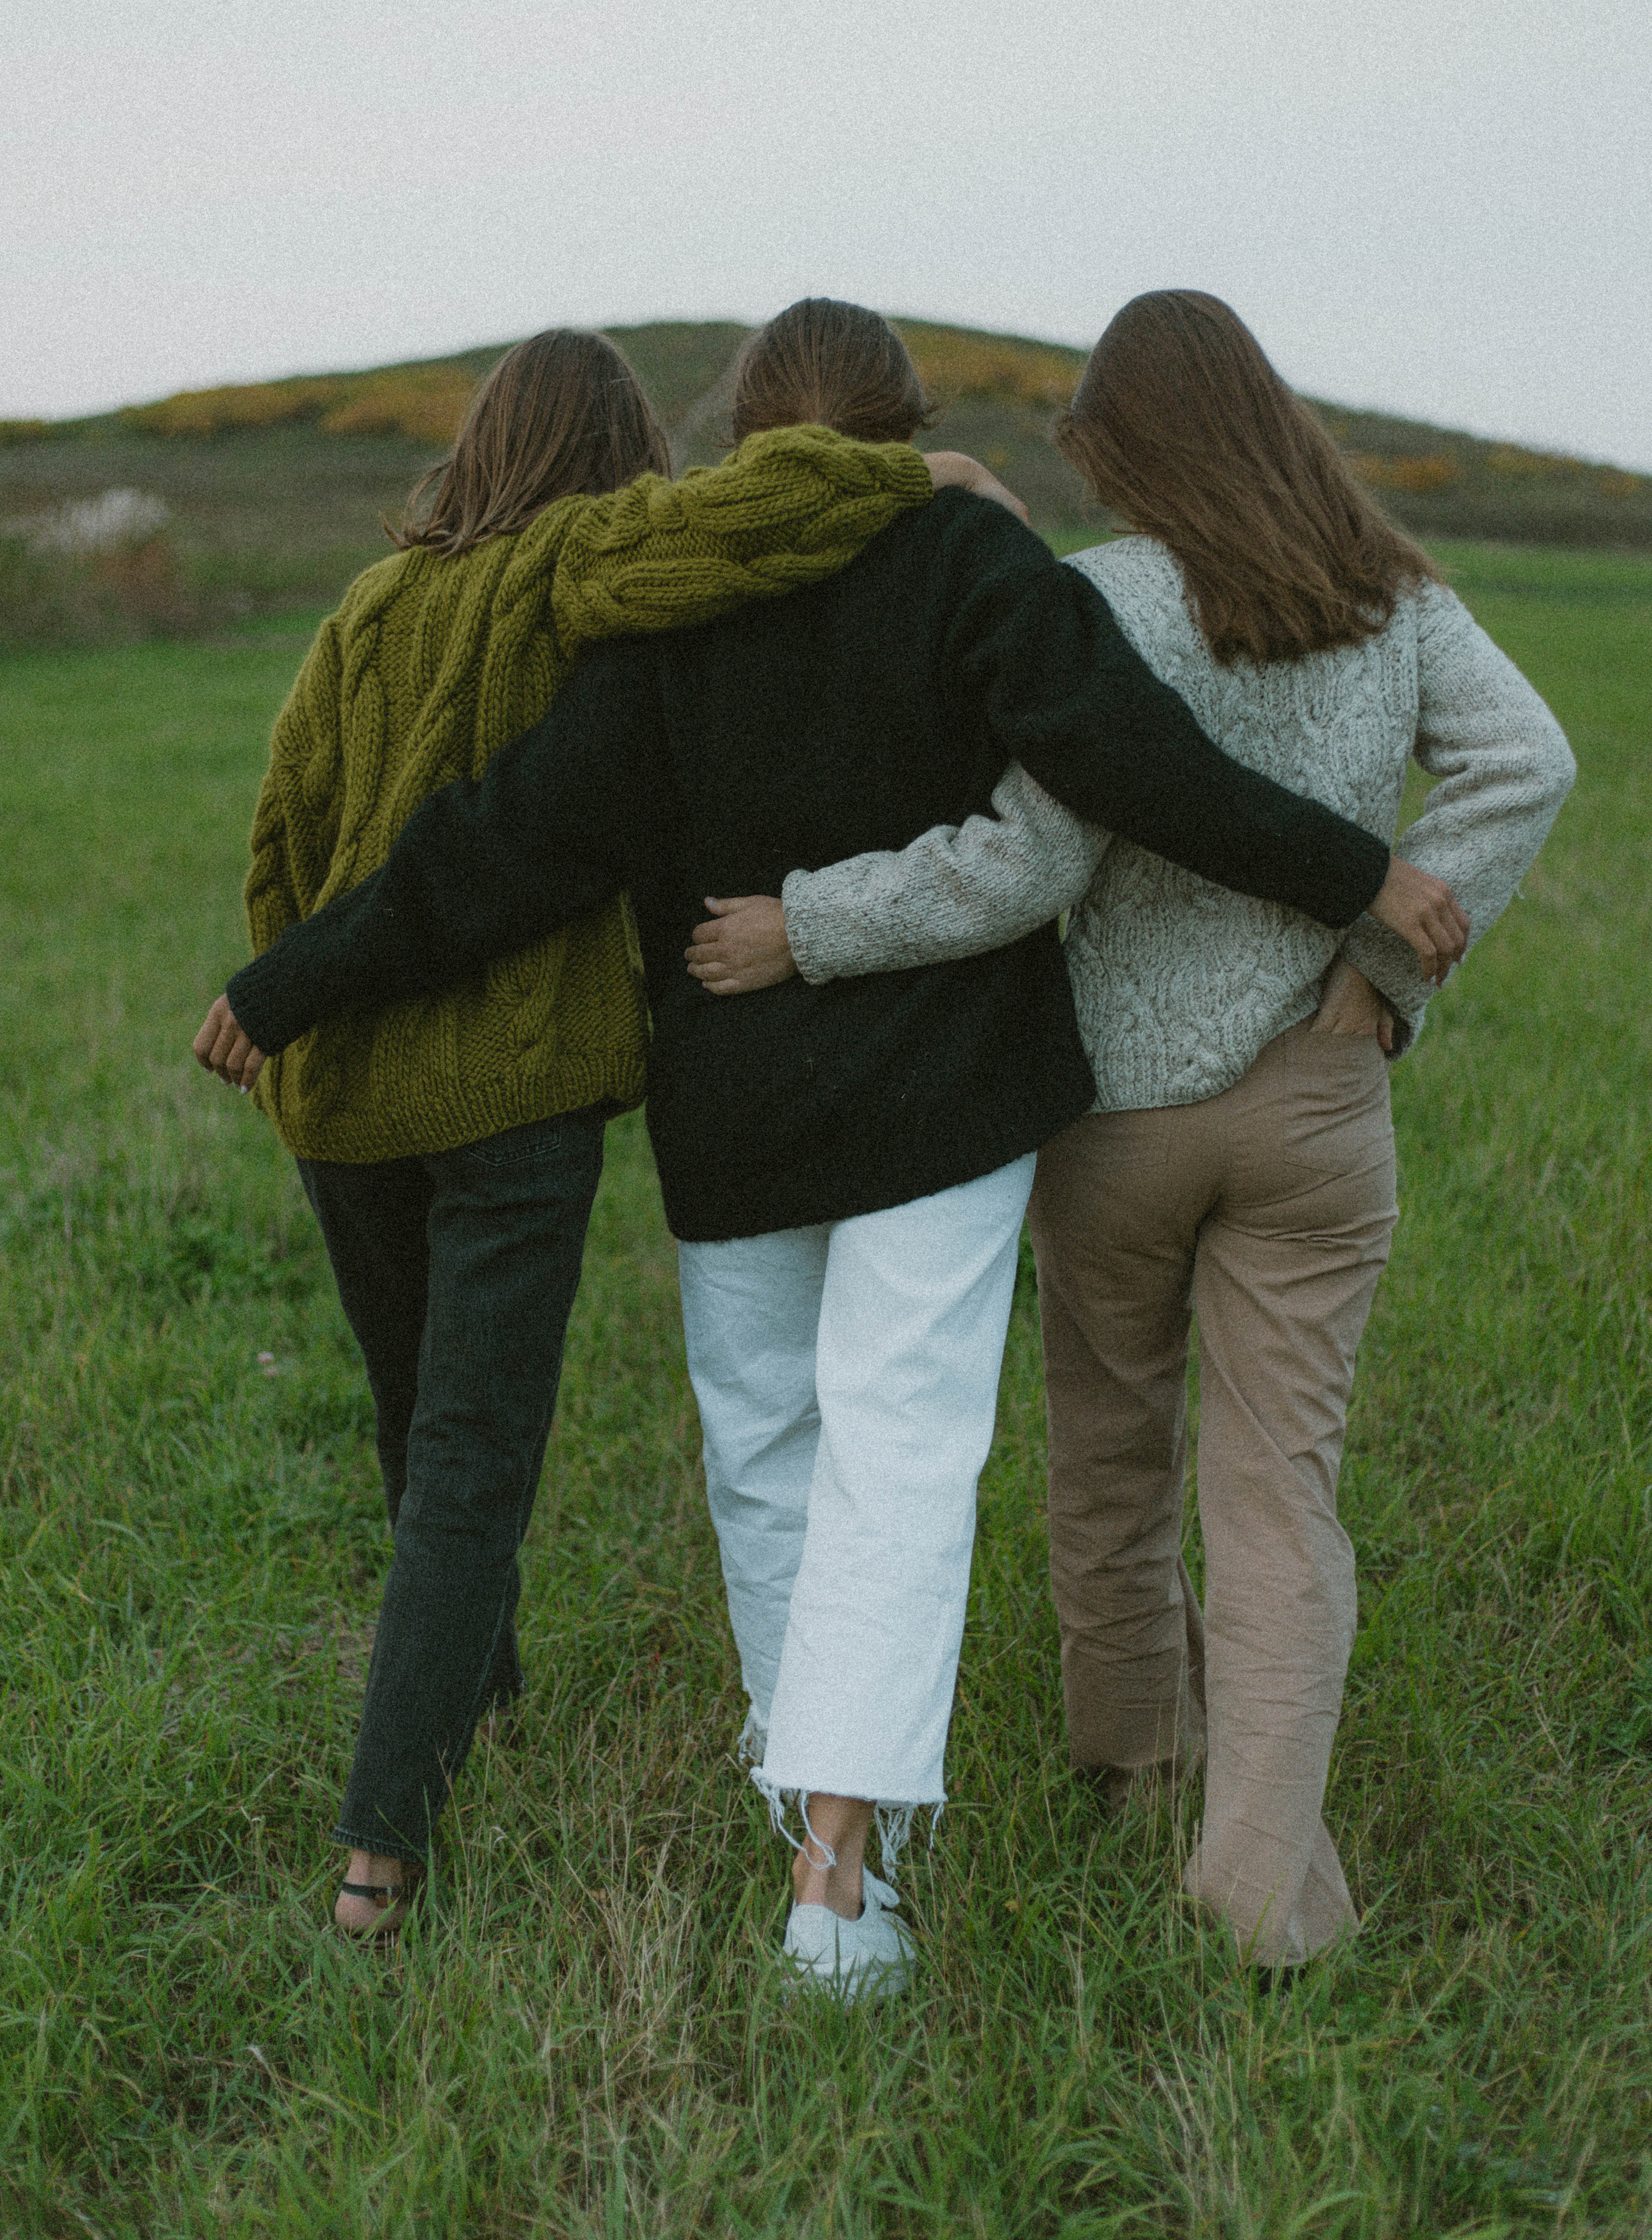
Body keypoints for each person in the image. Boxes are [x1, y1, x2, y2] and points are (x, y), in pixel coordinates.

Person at [196, 298, 1467, 1996]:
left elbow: (497, 849)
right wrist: (1353, 873)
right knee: (902, 1458)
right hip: (942, 1107)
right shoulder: (965, 562)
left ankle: (821, 1835)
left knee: (770, 1463)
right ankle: (835, 1876)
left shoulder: (673, 608)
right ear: (907, 420)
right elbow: (1129, 759)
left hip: (737, 1125)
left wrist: (291, 981)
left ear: (738, 439)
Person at [685, 290, 1574, 1974]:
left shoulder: (1099, 604)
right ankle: (1263, 1890)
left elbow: (1018, 867)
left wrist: (805, 923)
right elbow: (1524, 763)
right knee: (1276, 1497)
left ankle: (1133, 1768)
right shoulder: (1389, 593)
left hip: (1112, 1114)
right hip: (1318, 1107)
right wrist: (1384, 965)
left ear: (1123, 445)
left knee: (1107, 1456)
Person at [196, 323, 968, 1939]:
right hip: (508, 1095)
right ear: (618, 452)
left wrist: (294, 1006)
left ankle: (484, 1704)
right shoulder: (585, 564)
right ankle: (376, 1861)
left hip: (337, 1096)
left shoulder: (365, 606)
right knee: (471, 1466)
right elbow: (766, 515)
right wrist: (918, 474)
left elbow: (284, 841)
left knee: (422, 1439)